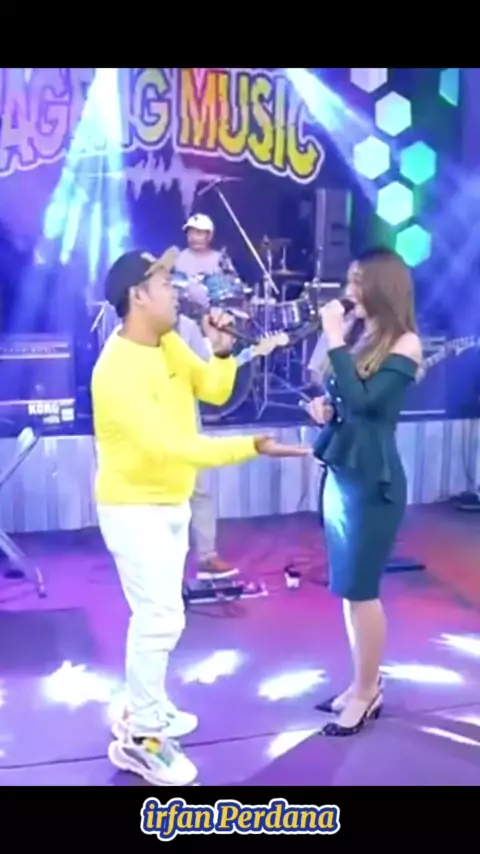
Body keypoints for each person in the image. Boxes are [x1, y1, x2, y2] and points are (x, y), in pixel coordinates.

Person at [91, 250, 307, 785]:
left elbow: (214, 389)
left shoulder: (166, 343)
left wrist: (222, 350)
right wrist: (251, 447)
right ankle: (142, 738)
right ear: (138, 295)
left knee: (164, 617)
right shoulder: (115, 370)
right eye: (166, 281)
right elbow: (176, 446)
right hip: (134, 508)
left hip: (170, 501)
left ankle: (147, 707)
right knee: (159, 619)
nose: (177, 289)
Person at [306, 248, 422, 737]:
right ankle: (359, 683)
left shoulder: (406, 344)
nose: (349, 291)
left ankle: (368, 690)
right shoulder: (362, 336)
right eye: (349, 280)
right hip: (343, 470)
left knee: (362, 589)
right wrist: (325, 407)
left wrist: (334, 336)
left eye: (357, 281)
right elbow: (345, 398)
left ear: (380, 286)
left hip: (374, 479)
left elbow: (367, 400)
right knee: (348, 590)